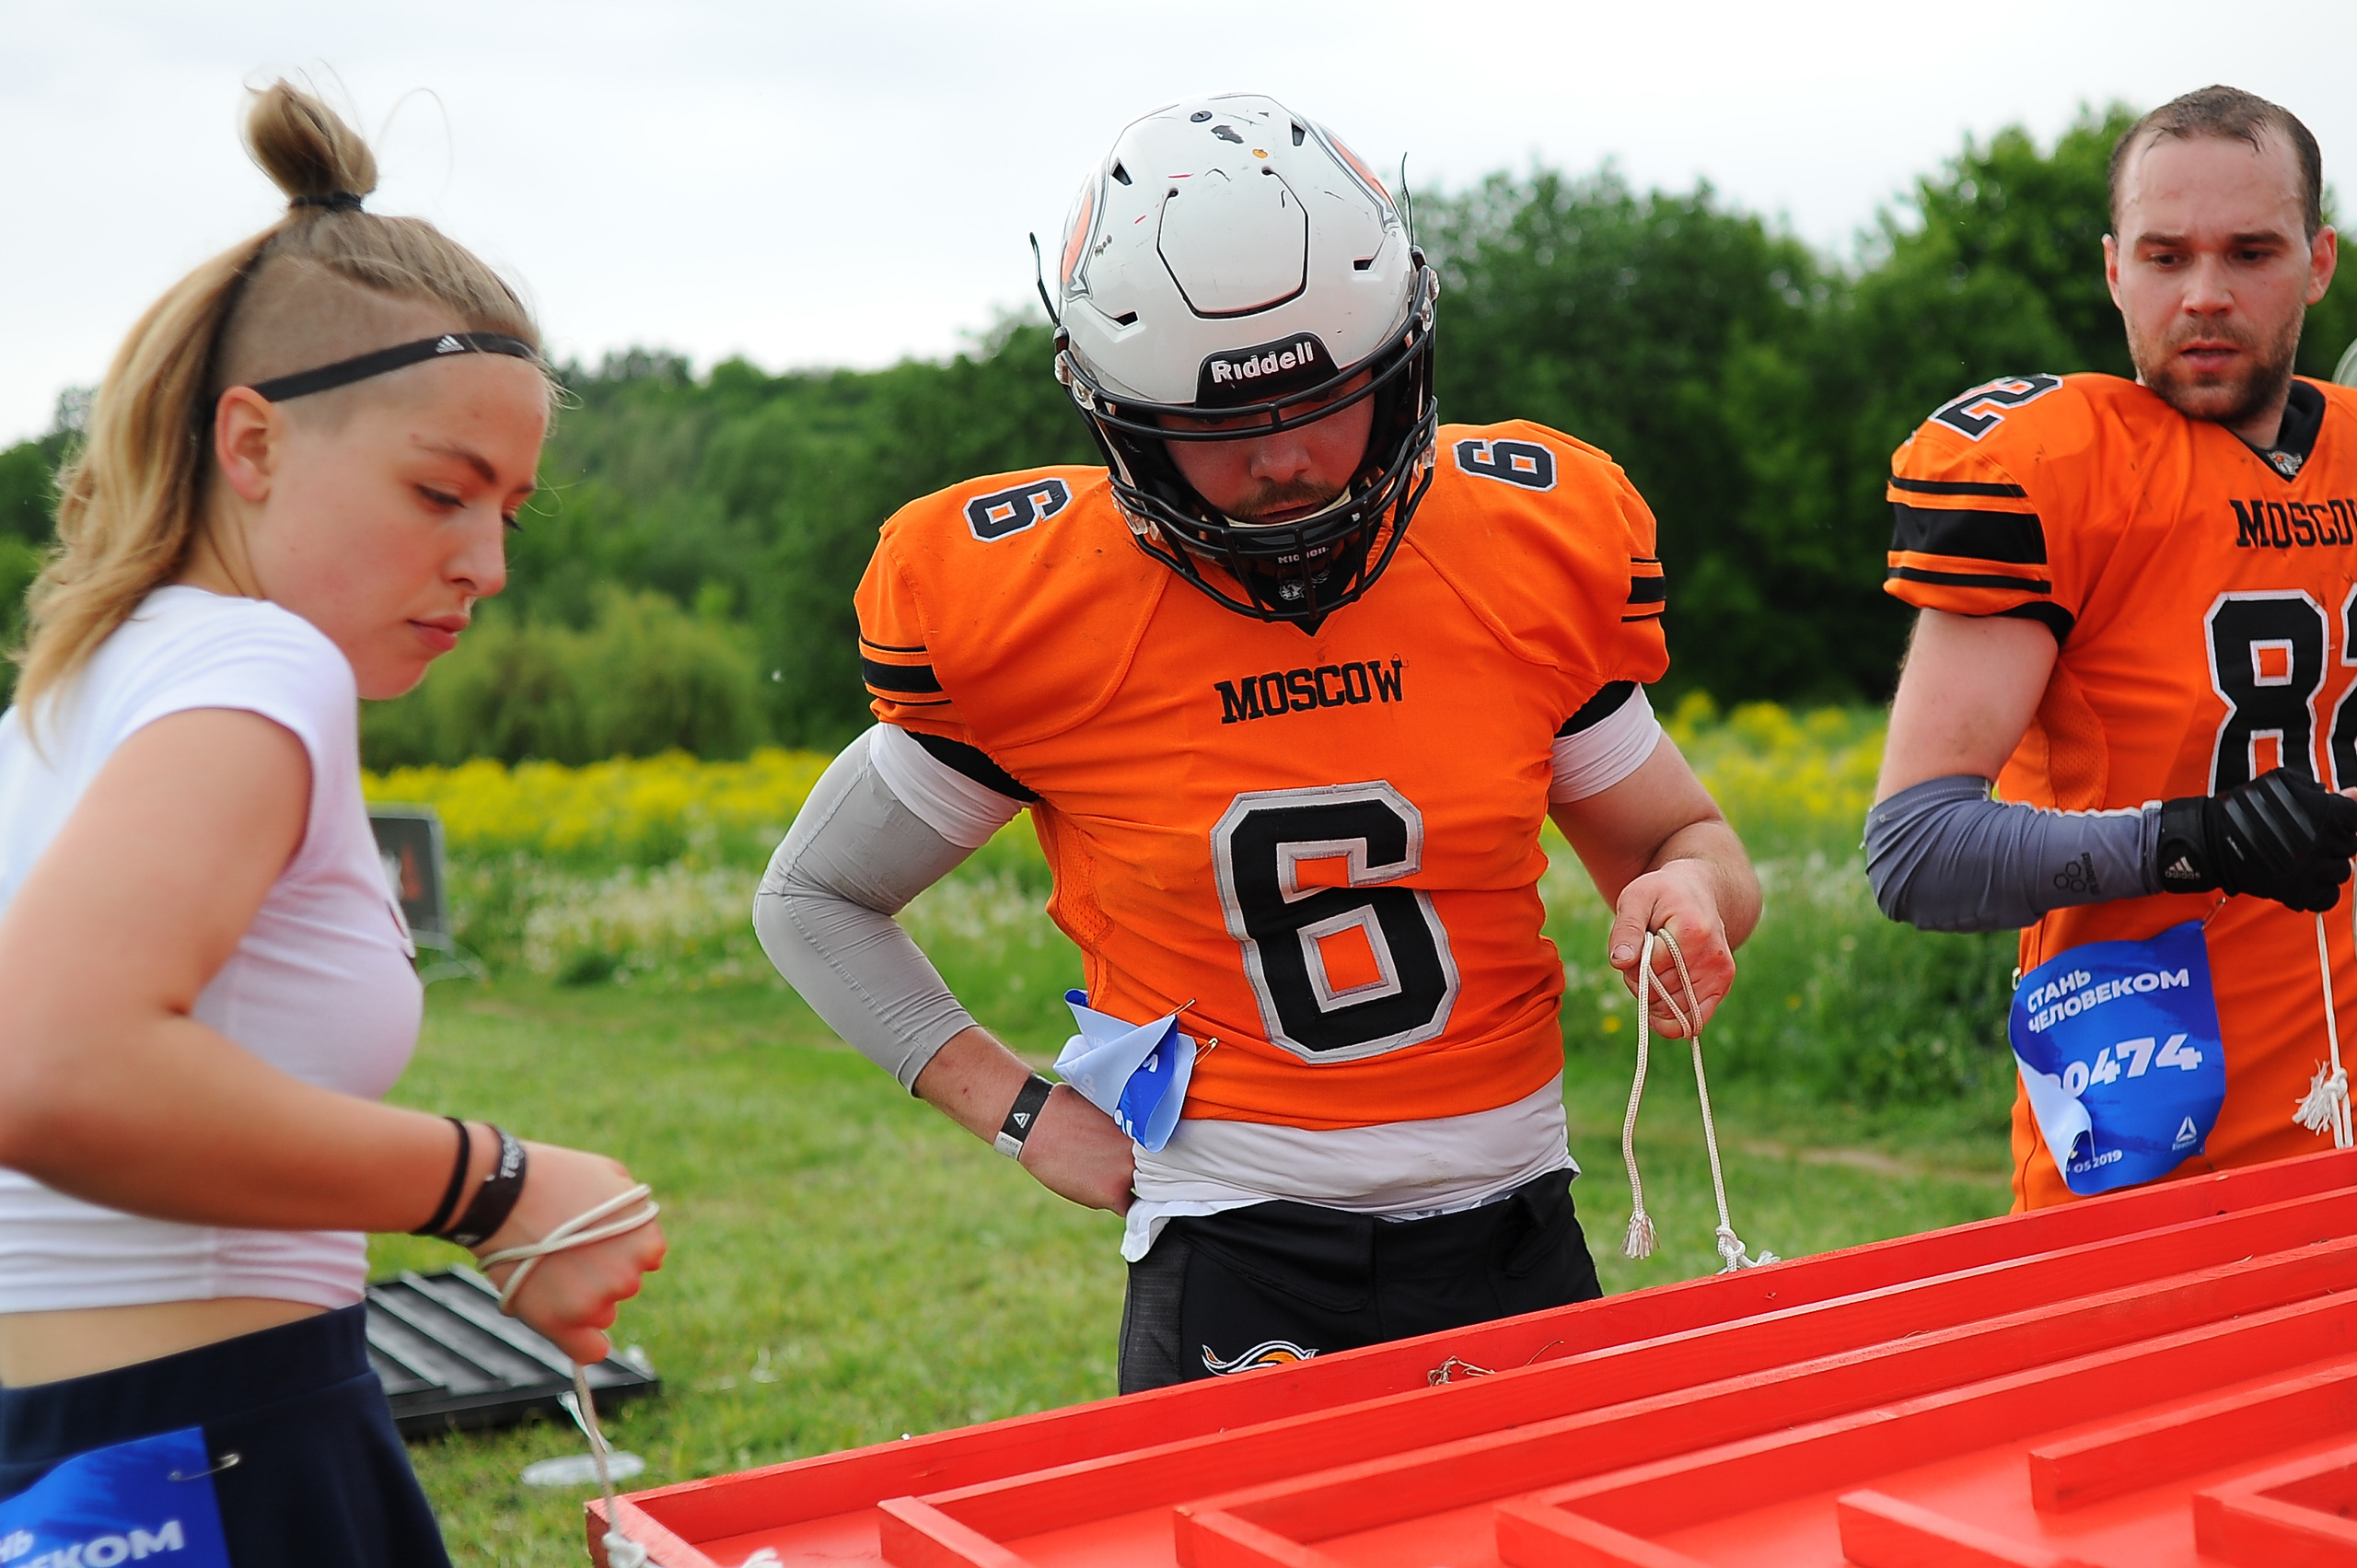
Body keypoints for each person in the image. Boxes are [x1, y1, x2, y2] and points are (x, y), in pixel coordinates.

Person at [757, 94, 1759, 1392]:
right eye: (1220, 424)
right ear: (1115, 411)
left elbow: (1689, 843)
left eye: (1328, 400)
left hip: (1520, 1215)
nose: (1285, 461)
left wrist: (1689, 893)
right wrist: (1017, 1110)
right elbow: (815, 897)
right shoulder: (1033, 608)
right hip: (1241, 1238)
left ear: (1402, 363)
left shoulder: (1524, 545)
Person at [0, 85, 666, 1563]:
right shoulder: (257, 660)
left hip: (90, 1449)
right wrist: (496, 1183)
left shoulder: (82, 686)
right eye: (442, 491)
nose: (485, 563)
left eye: (511, 510)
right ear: (250, 444)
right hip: (210, 1449)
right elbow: (51, 1065)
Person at [1866, 85, 2357, 1212]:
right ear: (2111, 268)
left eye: (2250, 252)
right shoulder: (2062, 469)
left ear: (2317, 261)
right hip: (2146, 1140)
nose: (2204, 295)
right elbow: (1914, 850)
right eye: (2164, 254)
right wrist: (2197, 841)